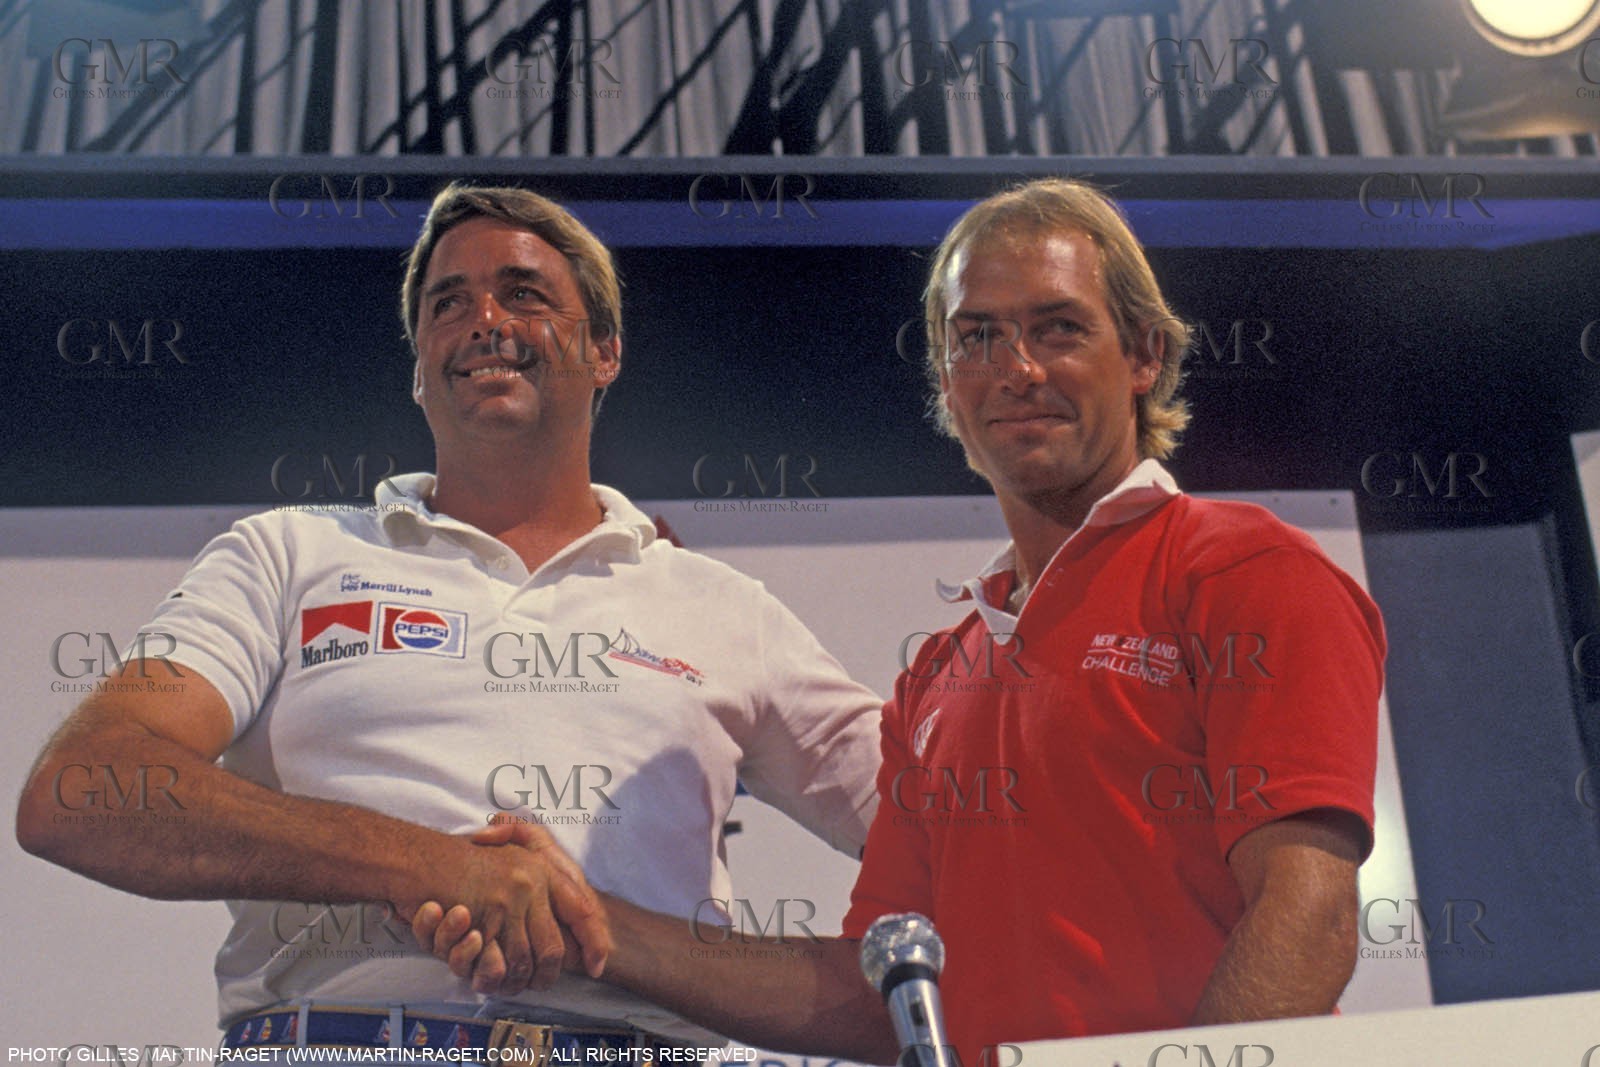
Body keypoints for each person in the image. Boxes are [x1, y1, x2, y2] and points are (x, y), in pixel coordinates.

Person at [416, 177, 1386, 1063]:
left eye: (1056, 329)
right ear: (945, 381)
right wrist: (594, 925)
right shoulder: (939, 675)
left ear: (1144, 354)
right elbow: (874, 989)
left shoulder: (1243, 569)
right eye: (976, 337)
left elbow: (1307, 916)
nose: (1015, 369)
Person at [14, 184, 883, 1057]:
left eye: (526, 292)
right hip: (338, 1042)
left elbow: (959, 839)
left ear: (607, 350)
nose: (484, 319)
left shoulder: (726, 609)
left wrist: (624, 939)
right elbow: (84, 787)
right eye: (448, 303)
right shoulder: (285, 555)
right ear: (421, 364)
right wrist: (430, 864)